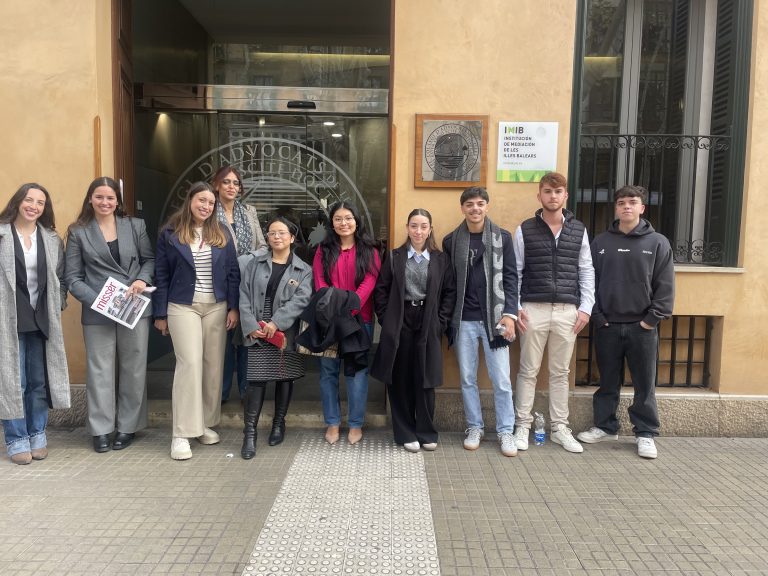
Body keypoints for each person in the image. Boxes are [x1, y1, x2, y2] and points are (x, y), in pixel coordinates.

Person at [577, 185, 674, 459]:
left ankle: (645, 433)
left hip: (642, 327)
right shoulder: (600, 243)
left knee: (644, 384)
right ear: (616, 208)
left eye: (633, 202)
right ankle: (605, 426)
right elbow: (588, 282)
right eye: (621, 203)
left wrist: (650, 320)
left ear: (643, 208)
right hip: (607, 325)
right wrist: (597, 317)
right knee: (607, 381)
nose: (627, 207)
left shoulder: (657, 243)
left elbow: (665, 287)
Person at [65, 177, 154, 453]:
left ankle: (128, 426)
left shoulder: (135, 225)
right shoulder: (78, 231)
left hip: (134, 305)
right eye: (99, 197)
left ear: (118, 201)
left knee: (134, 368)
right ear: (90, 198)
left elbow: (149, 259)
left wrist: (141, 279)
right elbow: (72, 277)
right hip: (98, 310)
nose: (105, 202)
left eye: (110, 198)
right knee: (100, 371)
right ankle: (101, 429)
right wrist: (100, 301)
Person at [153, 181, 240, 460]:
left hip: (216, 306)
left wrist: (233, 307)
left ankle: (201, 424)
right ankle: (180, 433)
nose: (206, 206)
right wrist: (160, 313)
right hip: (182, 306)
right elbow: (161, 274)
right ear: (190, 200)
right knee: (189, 364)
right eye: (201, 200)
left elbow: (232, 273)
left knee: (212, 366)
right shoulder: (171, 233)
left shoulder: (221, 232)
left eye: (211, 203)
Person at [512, 172, 594, 453]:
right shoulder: (524, 229)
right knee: (528, 370)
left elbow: (586, 270)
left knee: (560, 372)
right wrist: (517, 307)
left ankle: (560, 427)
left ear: (565, 196)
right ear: (540, 196)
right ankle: (522, 425)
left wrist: (585, 308)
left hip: (567, 310)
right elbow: (516, 272)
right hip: (532, 308)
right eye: (547, 191)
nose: (552, 196)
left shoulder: (579, 230)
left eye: (557, 192)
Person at [442, 186, 519, 457]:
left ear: (487, 206)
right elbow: (449, 283)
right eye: (470, 204)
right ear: (462, 208)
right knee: (466, 378)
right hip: (463, 320)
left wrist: (510, 315)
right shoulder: (451, 241)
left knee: (501, 379)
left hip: (495, 320)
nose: (475, 208)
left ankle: (506, 431)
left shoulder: (502, 238)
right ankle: (474, 427)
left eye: (480, 203)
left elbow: (511, 279)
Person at [372, 209, 455, 452]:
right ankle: (405, 432)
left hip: (428, 320)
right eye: (414, 226)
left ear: (430, 229)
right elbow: (381, 290)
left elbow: (449, 292)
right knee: (400, 377)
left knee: (425, 377)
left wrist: (440, 321)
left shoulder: (440, 259)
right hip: (400, 319)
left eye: (423, 226)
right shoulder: (395, 257)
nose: (418, 231)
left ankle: (426, 431)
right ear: (407, 228)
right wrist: (386, 319)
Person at [0, 183, 70, 465]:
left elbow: (61, 277)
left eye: (40, 202)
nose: (34, 206)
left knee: (38, 383)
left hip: (42, 318)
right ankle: (16, 439)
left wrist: (59, 302)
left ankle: (38, 435)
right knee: (14, 381)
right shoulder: (2, 234)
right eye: (29, 200)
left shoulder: (51, 239)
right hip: (8, 318)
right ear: (18, 202)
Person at [238, 217, 312, 459]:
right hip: (257, 327)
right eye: (272, 233)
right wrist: (250, 325)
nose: (276, 237)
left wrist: (276, 322)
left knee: (284, 377)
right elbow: (243, 296)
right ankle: (250, 434)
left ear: (292, 237)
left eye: (282, 233)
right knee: (256, 379)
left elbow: (301, 300)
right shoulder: (254, 264)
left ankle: (279, 423)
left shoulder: (303, 269)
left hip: (284, 329)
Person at [313, 201, 380, 445]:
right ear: (332, 223)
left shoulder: (369, 249)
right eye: (338, 219)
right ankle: (332, 422)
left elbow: (370, 281)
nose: (344, 223)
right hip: (329, 321)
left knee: (357, 373)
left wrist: (350, 307)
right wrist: (333, 307)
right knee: (328, 372)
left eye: (348, 218)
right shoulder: (324, 249)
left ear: (357, 221)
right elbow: (319, 280)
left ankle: (355, 424)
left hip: (358, 320)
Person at [212, 165, 265, 405]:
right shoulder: (208, 212)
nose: (232, 186)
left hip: (248, 285)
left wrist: (247, 260)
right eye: (226, 182)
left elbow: (263, 246)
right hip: (218, 286)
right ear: (216, 185)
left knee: (247, 340)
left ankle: (245, 392)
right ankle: (220, 394)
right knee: (221, 343)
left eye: (235, 183)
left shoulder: (249, 212)